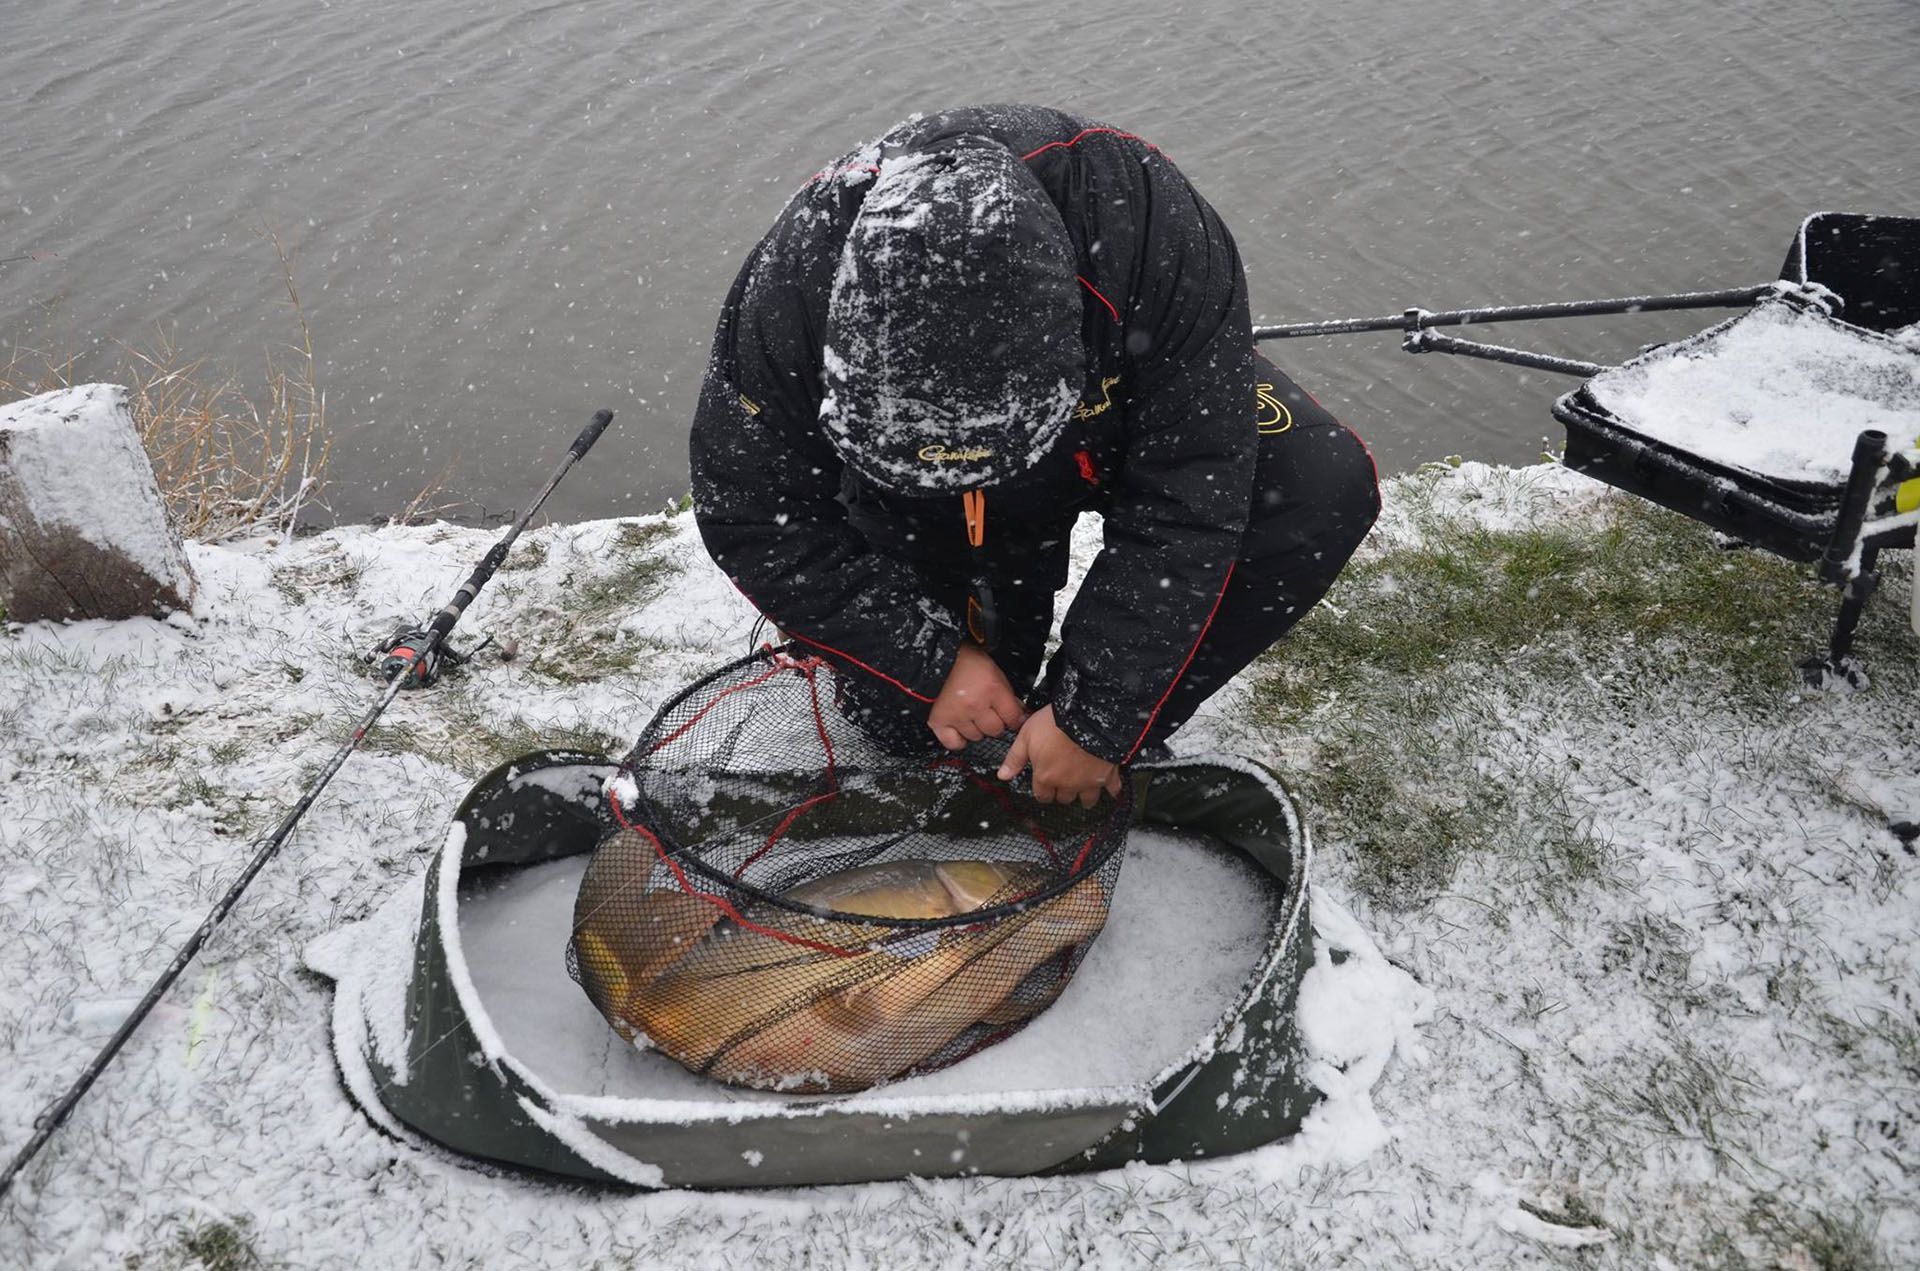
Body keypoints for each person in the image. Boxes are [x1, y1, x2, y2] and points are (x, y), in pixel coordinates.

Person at [690, 104, 1379, 807]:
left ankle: (1086, 742)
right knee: (925, 727)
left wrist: (1095, 718)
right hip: (910, 506)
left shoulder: (1151, 229)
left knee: (1319, 484)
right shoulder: (791, 290)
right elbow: (749, 513)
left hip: (1103, 427)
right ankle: (996, 664)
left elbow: (1190, 497)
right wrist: (930, 664)